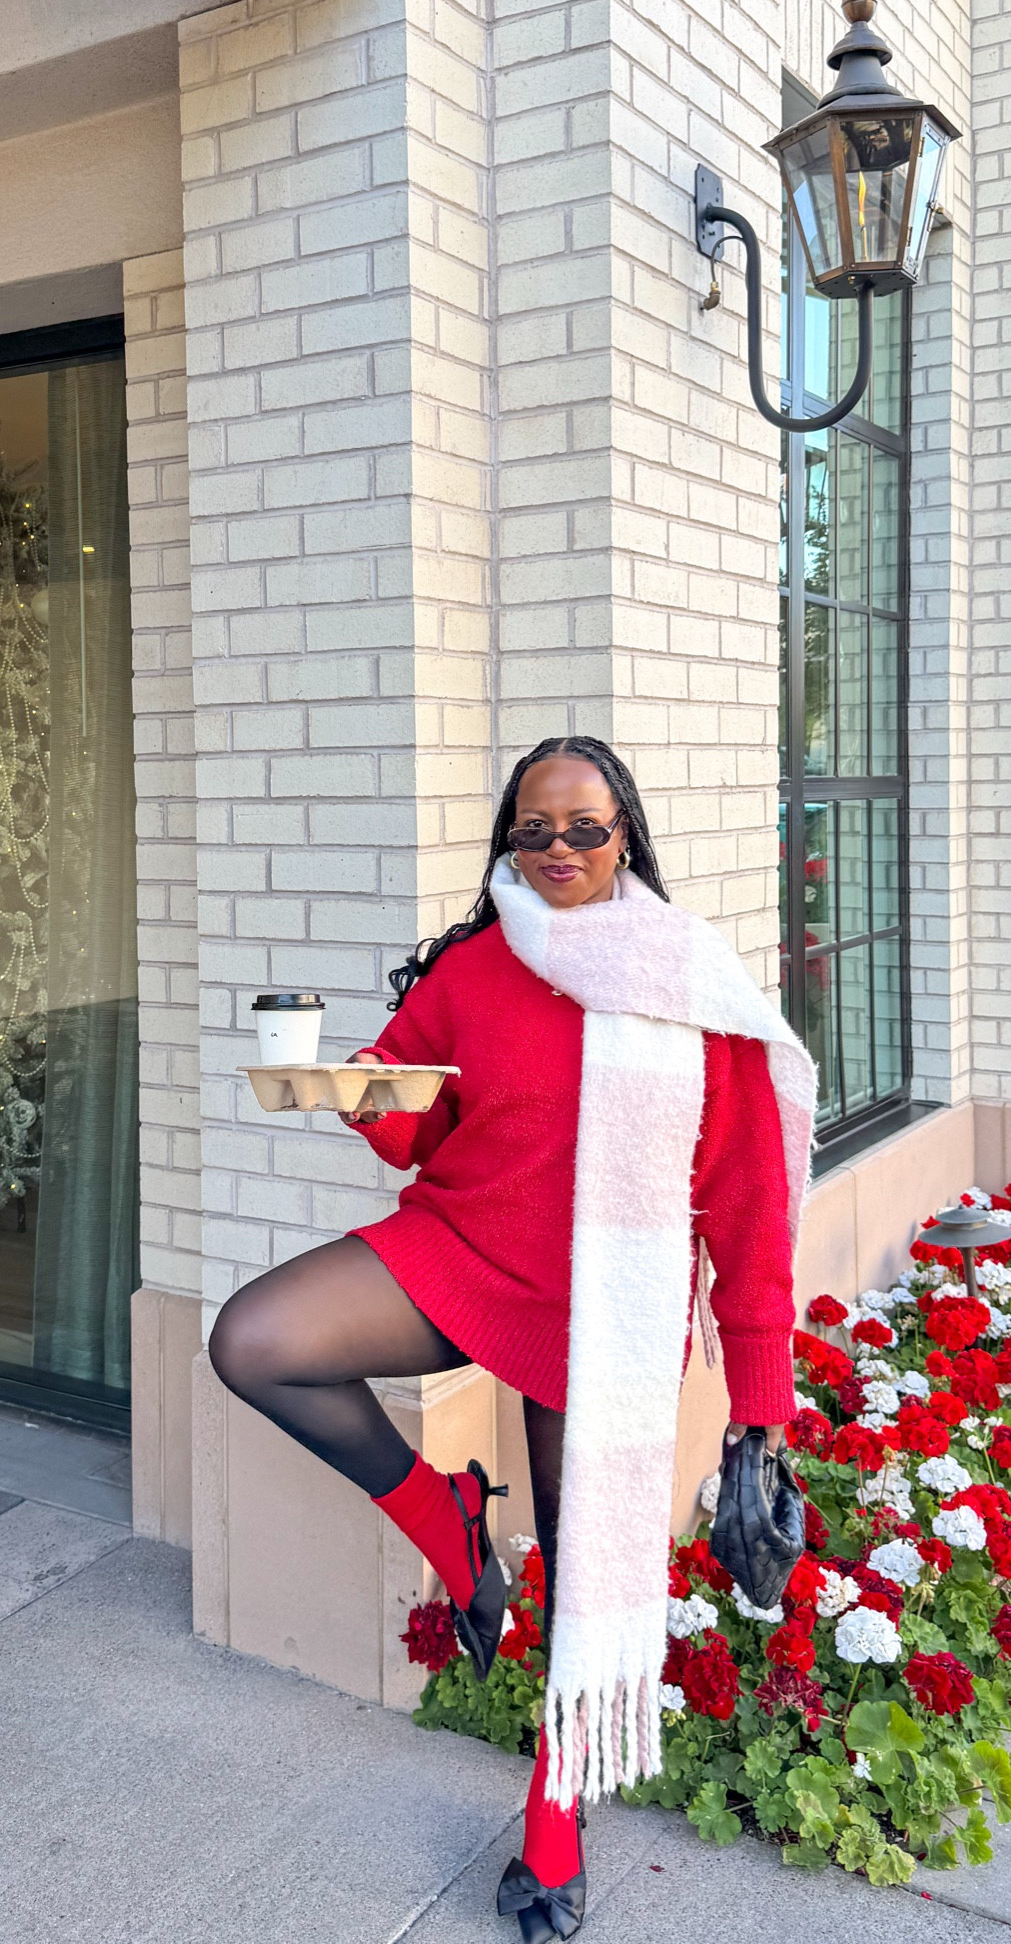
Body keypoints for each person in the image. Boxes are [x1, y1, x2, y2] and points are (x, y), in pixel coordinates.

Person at [209, 737, 815, 1942]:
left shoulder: (687, 980)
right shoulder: (478, 965)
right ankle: (446, 1518)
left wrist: (760, 1397)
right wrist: (346, 1089)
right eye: (532, 830)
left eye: (582, 827)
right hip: (460, 1249)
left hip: (605, 1305)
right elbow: (411, 1117)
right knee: (253, 1339)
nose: (557, 851)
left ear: (624, 833)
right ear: (509, 837)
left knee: (584, 1560)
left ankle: (554, 1813)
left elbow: (748, 1204)